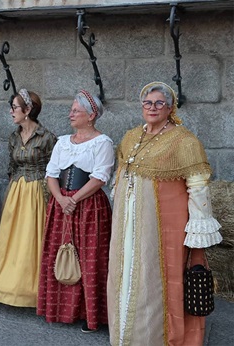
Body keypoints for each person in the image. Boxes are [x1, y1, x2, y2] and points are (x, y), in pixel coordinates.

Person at [107, 82, 222, 346]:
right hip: (128, 223)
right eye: (148, 103)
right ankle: (127, 335)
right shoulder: (131, 136)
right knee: (124, 271)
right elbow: (121, 175)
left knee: (155, 277)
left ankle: (153, 338)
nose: (153, 108)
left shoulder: (184, 141)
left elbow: (198, 187)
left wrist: (198, 230)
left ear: (170, 108)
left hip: (162, 225)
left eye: (160, 103)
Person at [37, 90, 114, 332]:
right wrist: (60, 198)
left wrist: (75, 199)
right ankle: (59, 309)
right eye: (71, 110)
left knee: (89, 259)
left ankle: (90, 315)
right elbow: (51, 174)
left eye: (75, 111)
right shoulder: (62, 142)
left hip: (89, 206)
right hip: (61, 205)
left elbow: (100, 177)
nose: (70, 114)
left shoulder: (103, 143)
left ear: (91, 116)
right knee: (59, 254)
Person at [0, 89, 57, 307]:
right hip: (17, 191)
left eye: (15, 108)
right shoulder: (13, 137)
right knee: (11, 238)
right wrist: (12, 190)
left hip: (37, 190)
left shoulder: (47, 137)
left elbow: (54, 169)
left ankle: (31, 291)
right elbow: (11, 166)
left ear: (28, 110)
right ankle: (7, 288)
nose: (11, 112)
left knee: (31, 239)